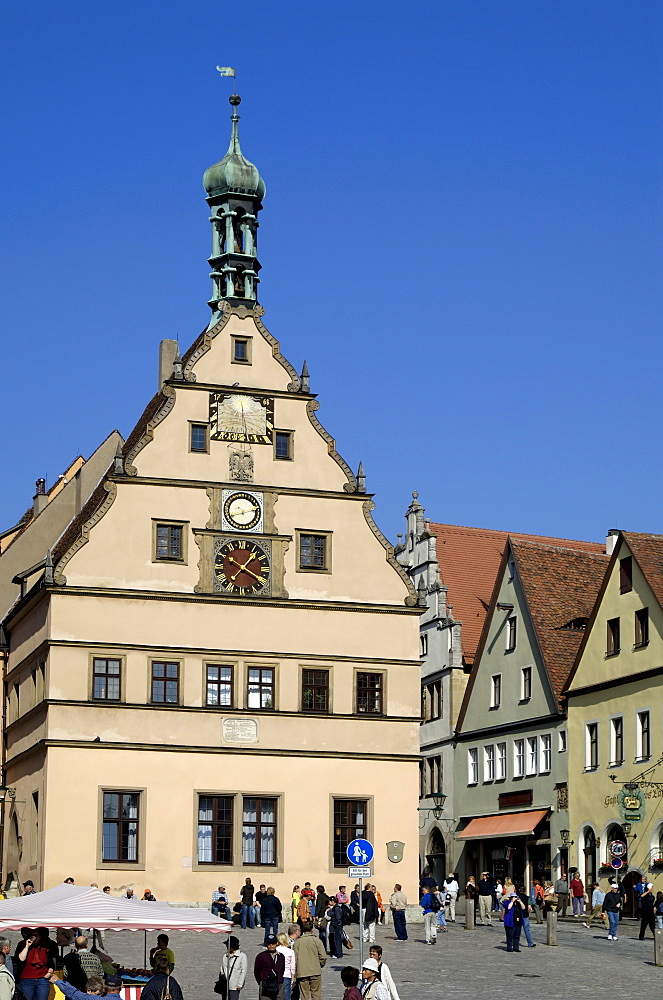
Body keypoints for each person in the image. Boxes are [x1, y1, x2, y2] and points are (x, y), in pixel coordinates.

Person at [17, 928, 58, 1000]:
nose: (33, 938)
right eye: (31, 936)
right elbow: (21, 959)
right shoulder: (22, 944)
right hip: (27, 979)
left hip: (42, 979)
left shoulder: (45, 946)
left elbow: (51, 962)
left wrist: (49, 973)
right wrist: (27, 946)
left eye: (35, 936)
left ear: (39, 937)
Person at [293, 920, 326, 1000]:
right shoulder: (317, 941)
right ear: (312, 929)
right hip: (315, 971)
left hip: (302, 972)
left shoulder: (297, 942)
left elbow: (295, 958)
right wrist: (319, 964)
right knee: (316, 995)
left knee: (304, 995)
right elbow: (323, 956)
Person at [254, 935, 285, 1000]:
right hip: (266, 985)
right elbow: (257, 971)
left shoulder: (281, 956)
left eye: (273, 943)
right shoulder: (261, 956)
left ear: (277, 943)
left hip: (278, 984)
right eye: (269, 944)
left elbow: (282, 969)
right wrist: (261, 981)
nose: (271, 945)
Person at [220, 935, 247, 1000]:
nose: (226, 946)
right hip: (225, 985)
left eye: (228, 945)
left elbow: (243, 971)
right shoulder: (225, 956)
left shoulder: (242, 956)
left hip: (234, 985)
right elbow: (222, 969)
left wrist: (240, 984)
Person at [275, 933, 295, 1000]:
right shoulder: (290, 951)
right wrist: (292, 978)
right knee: (286, 996)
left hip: (277, 975)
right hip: (287, 975)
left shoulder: (276, 950)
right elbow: (292, 967)